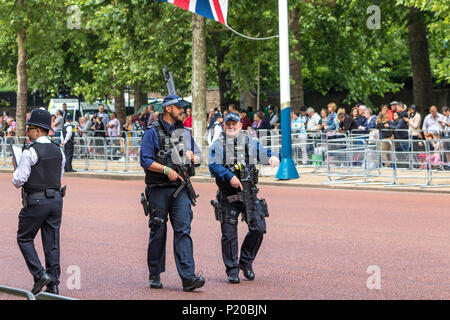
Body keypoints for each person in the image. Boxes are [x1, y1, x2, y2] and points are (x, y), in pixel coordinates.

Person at [140, 94, 205, 292]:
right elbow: (145, 160)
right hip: (158, 188)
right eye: (180, 108)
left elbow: (200, 157)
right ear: (169, 109)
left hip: (180, 189)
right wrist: (166, 170)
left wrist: (195, 158)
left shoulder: (184, 132)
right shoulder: (151, 132)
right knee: (158, 230)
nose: (183, 111)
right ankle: (155, 274)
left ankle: (188, 278)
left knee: (183, 230)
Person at [208, 112, 280, 283]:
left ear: (240, 125)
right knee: (229, 235)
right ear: (224, 126)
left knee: (259, 228)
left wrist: (273, 157)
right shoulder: (218, 145)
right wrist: (229, 176)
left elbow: (265, 154)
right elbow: (213, 166)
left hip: (249, 194)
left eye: (234, 124)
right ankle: (232, 270)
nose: (231, 127)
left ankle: (245, 262)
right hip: (228, 196)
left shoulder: (251, 142)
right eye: (228, 124)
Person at [12, 108, 66, 295]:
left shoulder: (30, 151)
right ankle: (54, 284)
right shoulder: (59, 150)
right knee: (52, 242)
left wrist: (15, 169)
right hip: (56, 200)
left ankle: (40, 274)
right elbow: (59, 176)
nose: (27, 132)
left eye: (29, 129)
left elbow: (18, 181)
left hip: (35, 200)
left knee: (24, 237)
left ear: (37, 130)